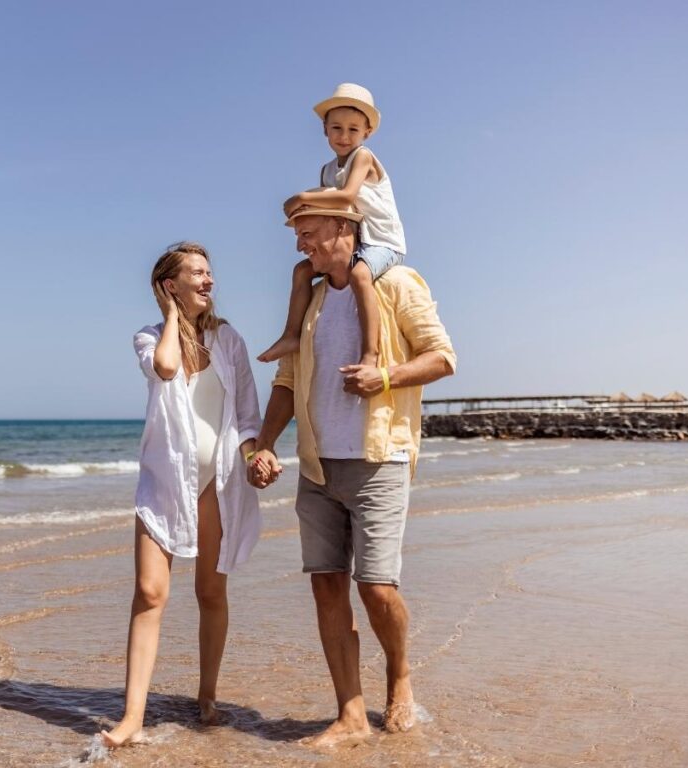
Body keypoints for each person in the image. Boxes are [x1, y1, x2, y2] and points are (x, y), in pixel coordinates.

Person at [249, 203, 455, 745]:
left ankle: (400, 675)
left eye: (309, 234)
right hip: (317, 466)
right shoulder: (312, 299)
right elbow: (288, 381)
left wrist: (384, 377)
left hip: (380, 457)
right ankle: (350, 713)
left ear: (344, 228)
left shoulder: (397, 282)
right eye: (298, 236)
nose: (301, 246)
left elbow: (442, 357)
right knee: (326, 586)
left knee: (377, 588)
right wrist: (265, 444)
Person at [102, 242, 272, 748]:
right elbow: (168, 368)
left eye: (209, 270)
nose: (208, 279)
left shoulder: (230, 341)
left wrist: (254, 456)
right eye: (195, 272)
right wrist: (171, 315)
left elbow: (246, 415)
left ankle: (207, 695)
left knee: (210, 592)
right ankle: (133, 718)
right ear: (169, 285)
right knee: (150, 593)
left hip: (218, 481)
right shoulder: (149, 337)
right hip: (164, 481)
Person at [258, 83, 407, 367]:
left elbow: (347, 196)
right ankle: (291, 334)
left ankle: (370, 353)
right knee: (301, 271)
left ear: (367, 132)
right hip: (358, 240)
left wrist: (301, 197)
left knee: (360, 276)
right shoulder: (327, 170)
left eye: (353, 129)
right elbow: (329, 214)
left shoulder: (363, 156)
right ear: (325, 129)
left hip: (383, 241)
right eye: (337, 128)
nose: (344, 136)